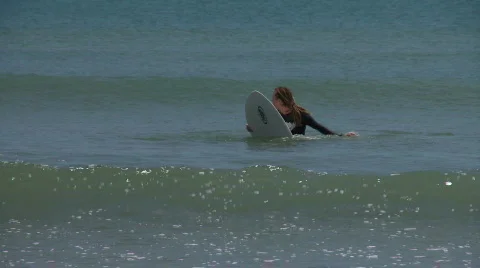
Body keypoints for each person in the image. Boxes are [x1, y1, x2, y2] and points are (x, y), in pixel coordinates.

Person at [246, 86, 358, 137]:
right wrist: (253, 129)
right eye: (282, 105)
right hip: (279, 149)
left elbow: (321, 129)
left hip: (297, 149)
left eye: (273, 98)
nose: (287, 108)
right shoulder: (272, 114)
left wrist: (342, 136)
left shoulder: (302, 115)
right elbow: (267, 130)